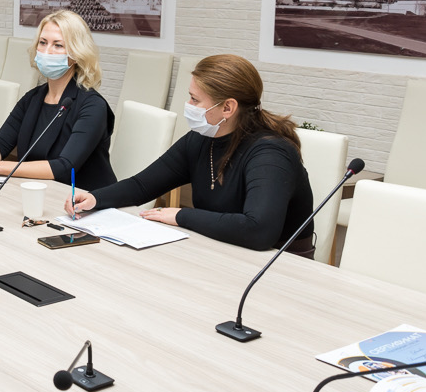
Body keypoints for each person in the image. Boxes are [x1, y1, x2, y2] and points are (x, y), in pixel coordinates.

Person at [65, 54, 315, 255]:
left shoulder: (270, 154)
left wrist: (180, 215)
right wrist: (95, 198)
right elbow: (143, 185)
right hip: (221, 250)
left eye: (195, 100)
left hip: (279, 266)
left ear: (228, 107)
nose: (189, 106)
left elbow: (258, 230)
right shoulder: (202, 139)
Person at [0, 10, 115, 188]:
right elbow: (0, 143)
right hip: (37, 189)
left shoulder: (93, 106)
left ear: (77, 54)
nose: (47, 51)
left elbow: (64, 166)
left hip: (84, 197)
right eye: (43, 42)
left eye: (58, 45)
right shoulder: (32, 98)